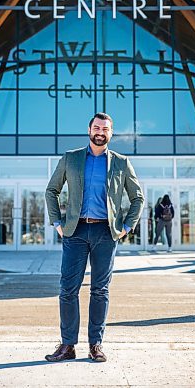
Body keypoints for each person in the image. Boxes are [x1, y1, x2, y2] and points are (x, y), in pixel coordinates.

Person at [45, 112, 144, 363]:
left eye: (106, 129)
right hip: (75, 231)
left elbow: (138, 198)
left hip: (105, 232)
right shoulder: (71, 158)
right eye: (97, 127)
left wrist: (126, 226)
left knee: (100, 290)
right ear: (89, 129)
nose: (101, 132)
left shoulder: (121, 162)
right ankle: (67, 346)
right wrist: (57, 222)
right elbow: (52, 190)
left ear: (111, 133)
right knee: (68, 289)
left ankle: (95, 345)